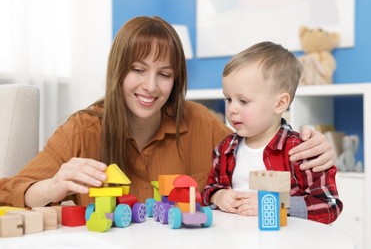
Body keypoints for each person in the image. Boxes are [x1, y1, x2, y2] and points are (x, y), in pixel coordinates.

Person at [0, 16, 335, 208]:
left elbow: (258, 141)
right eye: (138, 69)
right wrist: (51, 187)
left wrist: (312, 144)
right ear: (118, 70)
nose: (150, 86)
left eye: (164, 74)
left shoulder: (201, 122)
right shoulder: (82, 130)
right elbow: (8, 192)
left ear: (176, 80)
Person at [201, 41, 343, 224]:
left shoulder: (300, 151)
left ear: (280, 103)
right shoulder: (225, 148)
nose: (232, 109)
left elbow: (329, 206)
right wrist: (218, 196)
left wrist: (274, 205)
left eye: (243, 101)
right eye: (228, 99)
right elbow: (209, 188)